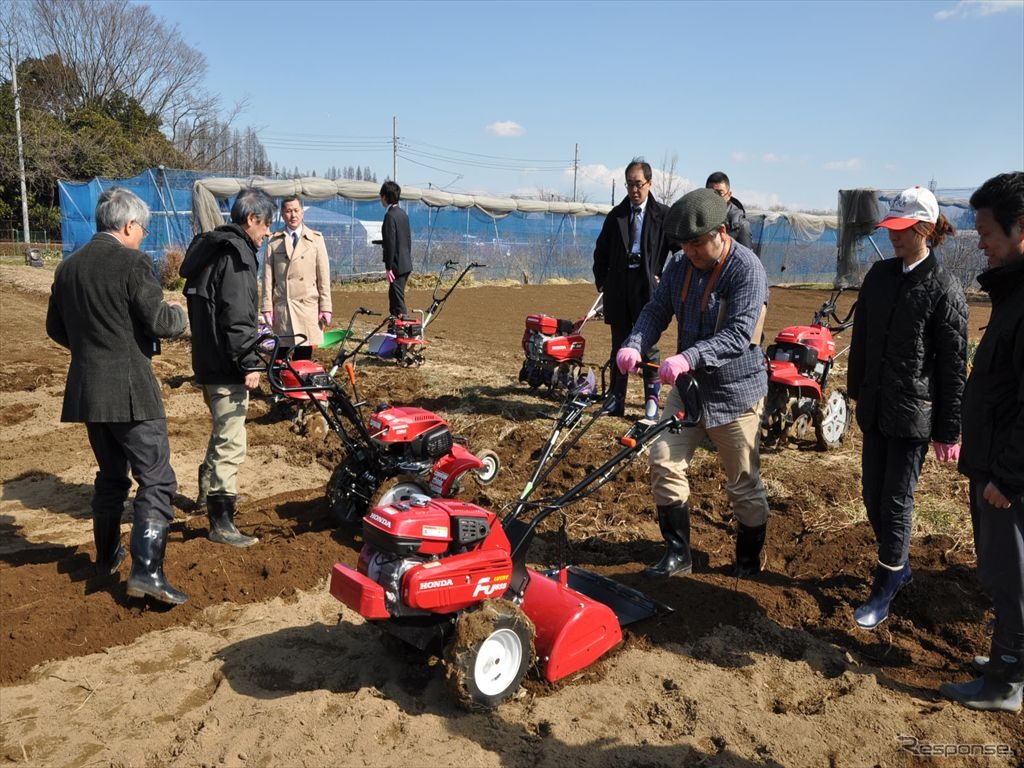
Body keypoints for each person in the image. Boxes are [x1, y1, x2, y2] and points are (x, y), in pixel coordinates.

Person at [45, 187, 189, 606]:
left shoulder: (68, 268)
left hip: (89, 391)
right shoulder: (133, 262)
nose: (143, 237)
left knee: (111, 477)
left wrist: (93, 349)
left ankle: (106, 556)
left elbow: (55, 329)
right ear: (128, 226)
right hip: (130, 391)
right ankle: (147, 573)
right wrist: (178, 312)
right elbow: (159, 321)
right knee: (157, 479)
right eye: (142, 229)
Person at [617, 188, 769, 578]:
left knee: (743, 485)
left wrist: (689, 356)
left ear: (721, 232)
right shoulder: (679, 267)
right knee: (663, 460)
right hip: (688, 391)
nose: (691, 252)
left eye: (698, 243)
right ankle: (678, 554)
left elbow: (738, 334)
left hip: (735, 394)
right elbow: (656, 310)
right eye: (685, 244)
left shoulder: (747, 270)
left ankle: (748, 565)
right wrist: (634, 343)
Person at [846, 185, 967, 630]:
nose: (894, 237)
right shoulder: (879, 276)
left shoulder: (944, 288)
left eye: (902, 230)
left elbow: (954, 366)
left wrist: (949, 430)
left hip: (914, 416)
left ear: (926, 229)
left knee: (896, 502)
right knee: (871, 496)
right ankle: (898, 565)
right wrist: (854, 389)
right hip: (877, 407)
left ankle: (886, 582)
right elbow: (862, 339)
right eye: (891, 228)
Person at [940, 172, 1024, 713]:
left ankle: (1006, 681)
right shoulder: (1013, 289)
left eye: (988, 231)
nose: (981, 242)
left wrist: (1009, 474)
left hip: (1008, 471)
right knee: (1003, 569)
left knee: (1011, 573)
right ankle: (1010, 659)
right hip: (997, 459)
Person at [180, 187, 275, 548]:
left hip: (206, 361)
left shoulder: (210, 248)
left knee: (221, 432)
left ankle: (207, 496)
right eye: (265, 225)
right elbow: (236, 317)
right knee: (231, 441)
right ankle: (222, 522)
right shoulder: (237, 254)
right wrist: (249, 362)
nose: (266, 233)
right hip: (225, 365)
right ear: (251, 220)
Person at [593, 159, 670, 419]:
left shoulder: (663, 216)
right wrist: (603, 282)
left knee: (648, 345)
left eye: (639, 184)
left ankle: (651, 399)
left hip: (647, 287)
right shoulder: (617, 216)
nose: (634, 190)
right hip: (619, 287)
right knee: (619, 345)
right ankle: (616, 399)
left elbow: (681, 252)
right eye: (630, 185)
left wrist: (664, 277)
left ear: (649, 183)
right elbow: (601, 250)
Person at [261, 196, 333, 361]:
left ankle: (299, 386)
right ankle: (278, 386)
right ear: (283, 214)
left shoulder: (316, 239)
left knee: (303, 357)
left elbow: (323, 276)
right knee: (279, 357)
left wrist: (326, 306)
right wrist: (266, 306)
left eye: (296, 210)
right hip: (283, 306)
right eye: (288, 211)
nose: (292, 215)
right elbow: (267, 277)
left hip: (307, 307)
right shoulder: (273, 240)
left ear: (302, 212)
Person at [379, 180, 412, 317]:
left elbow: (391, 243)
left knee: (398, 302)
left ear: (385, 197)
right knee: (394, 298)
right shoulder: (403, 214)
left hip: (396, 266)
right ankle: (394, 330)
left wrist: (388, 267)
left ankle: (405, 330)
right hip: (405, 263)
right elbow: (406, 239)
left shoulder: (389, 216)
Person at [705, 172, 753, 250]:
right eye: (712, 193)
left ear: (729, 195)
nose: (715, 198)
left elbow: (748, 258)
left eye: (720, 193)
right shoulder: (697, 219)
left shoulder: (740, 225)